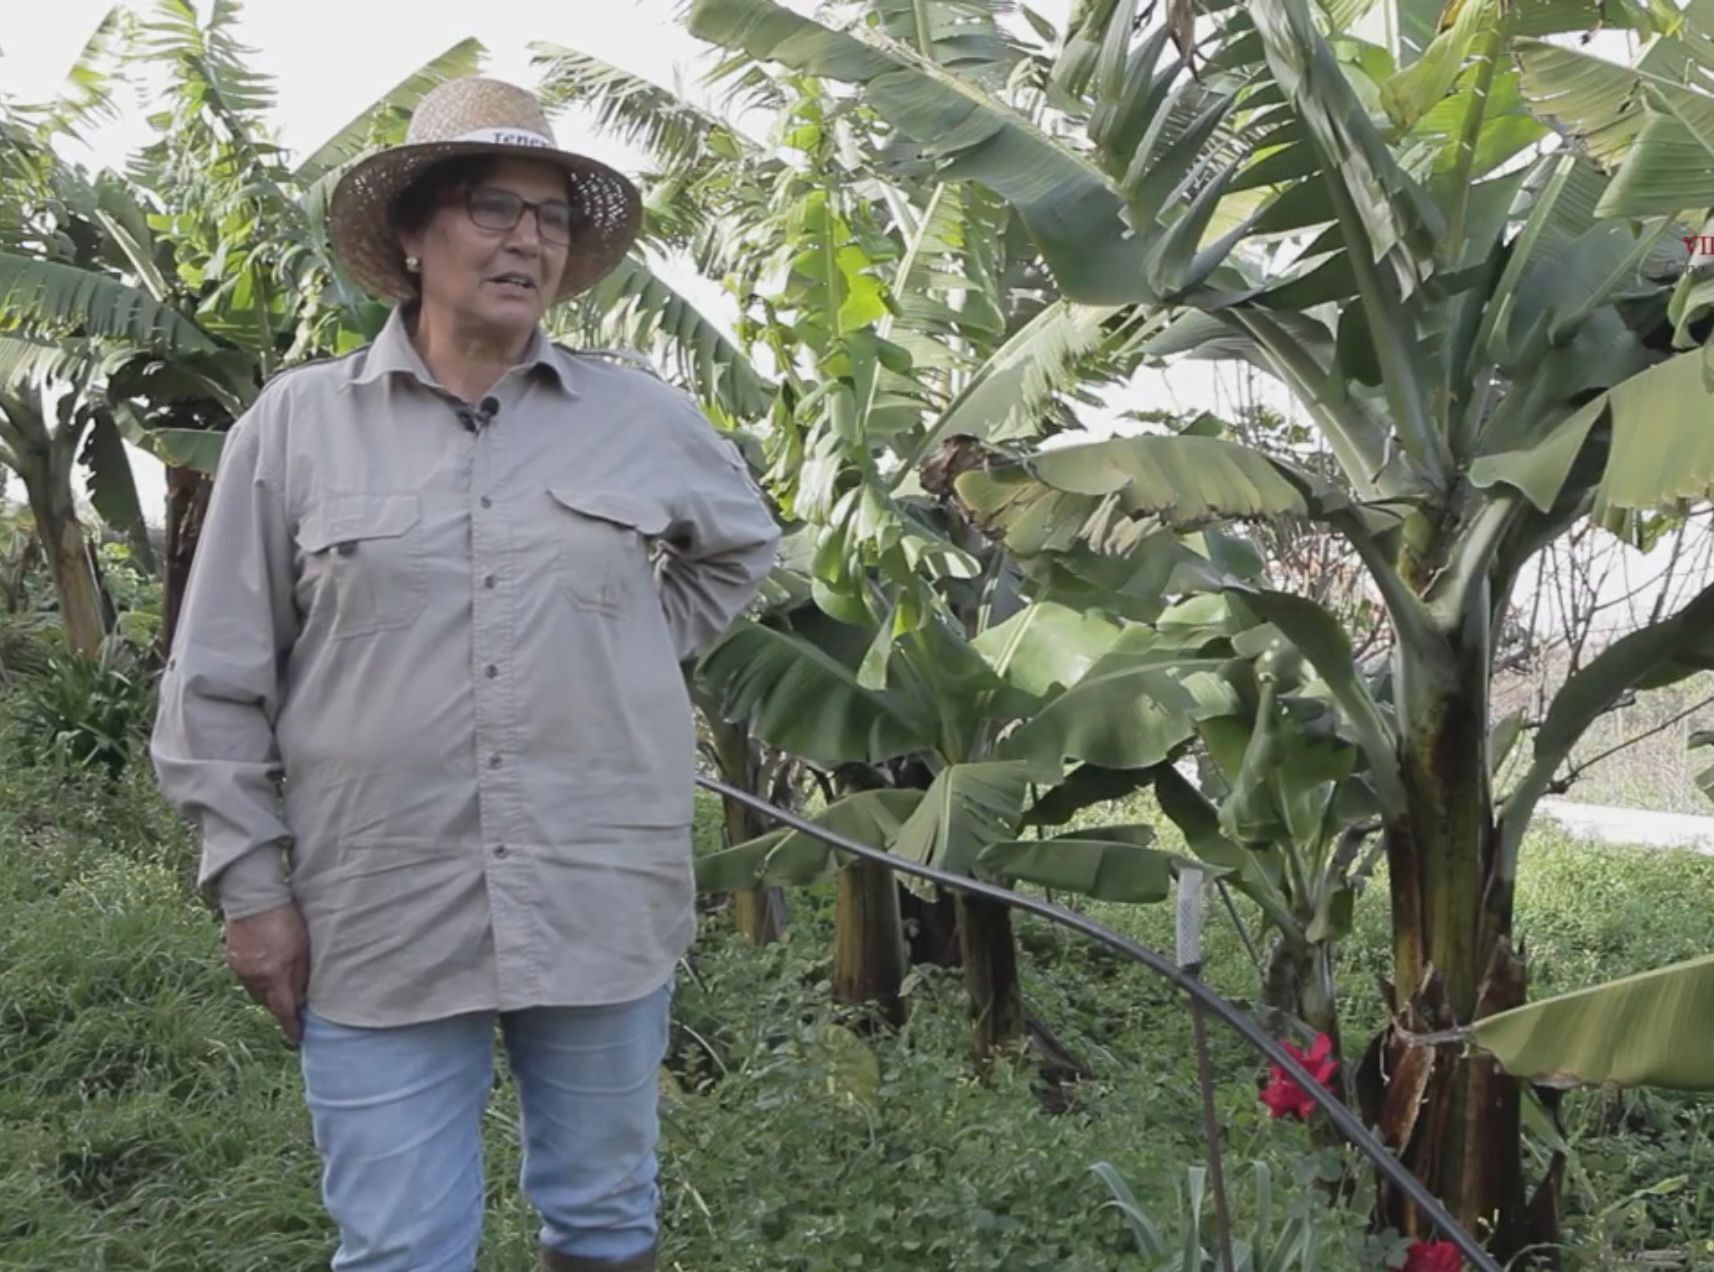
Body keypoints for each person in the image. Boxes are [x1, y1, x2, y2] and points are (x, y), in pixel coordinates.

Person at [150, 76, 781, 1272]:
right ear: (411, 234)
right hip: (375, 909)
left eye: (549, 218)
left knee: (604, 1223)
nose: (526, 239)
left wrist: (621, 648)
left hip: (596, 888)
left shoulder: (642, 420)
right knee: (398, 1248)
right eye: (494, 207)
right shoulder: (294, 429)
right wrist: (251, 891)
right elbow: (216, 682)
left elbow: (737, 551)